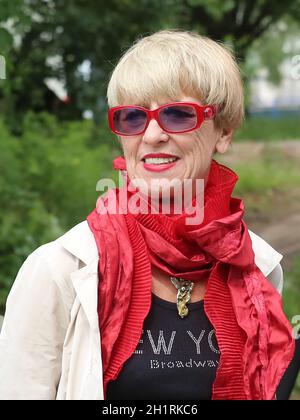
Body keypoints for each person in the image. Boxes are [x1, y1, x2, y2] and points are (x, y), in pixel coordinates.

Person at [0, 29, 295, 400]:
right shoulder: (59, 272)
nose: (152, 134)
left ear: (224, 132)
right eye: (132, 117)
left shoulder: (258, 267)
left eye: (176, 114)